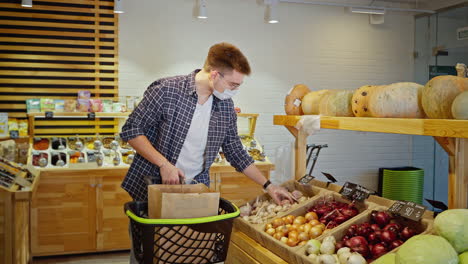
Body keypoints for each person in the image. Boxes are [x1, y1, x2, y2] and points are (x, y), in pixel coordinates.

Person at [120, 42, 294, 205]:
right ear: (214, 74)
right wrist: (164, 164)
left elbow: (235, 151)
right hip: (152, 184)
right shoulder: (167, 90)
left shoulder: (225, 105)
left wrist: (269, 186)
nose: (235, 90)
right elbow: (131, 130)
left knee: (191, 237)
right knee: (152, 237)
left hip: (195, 188)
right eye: (233, 84)